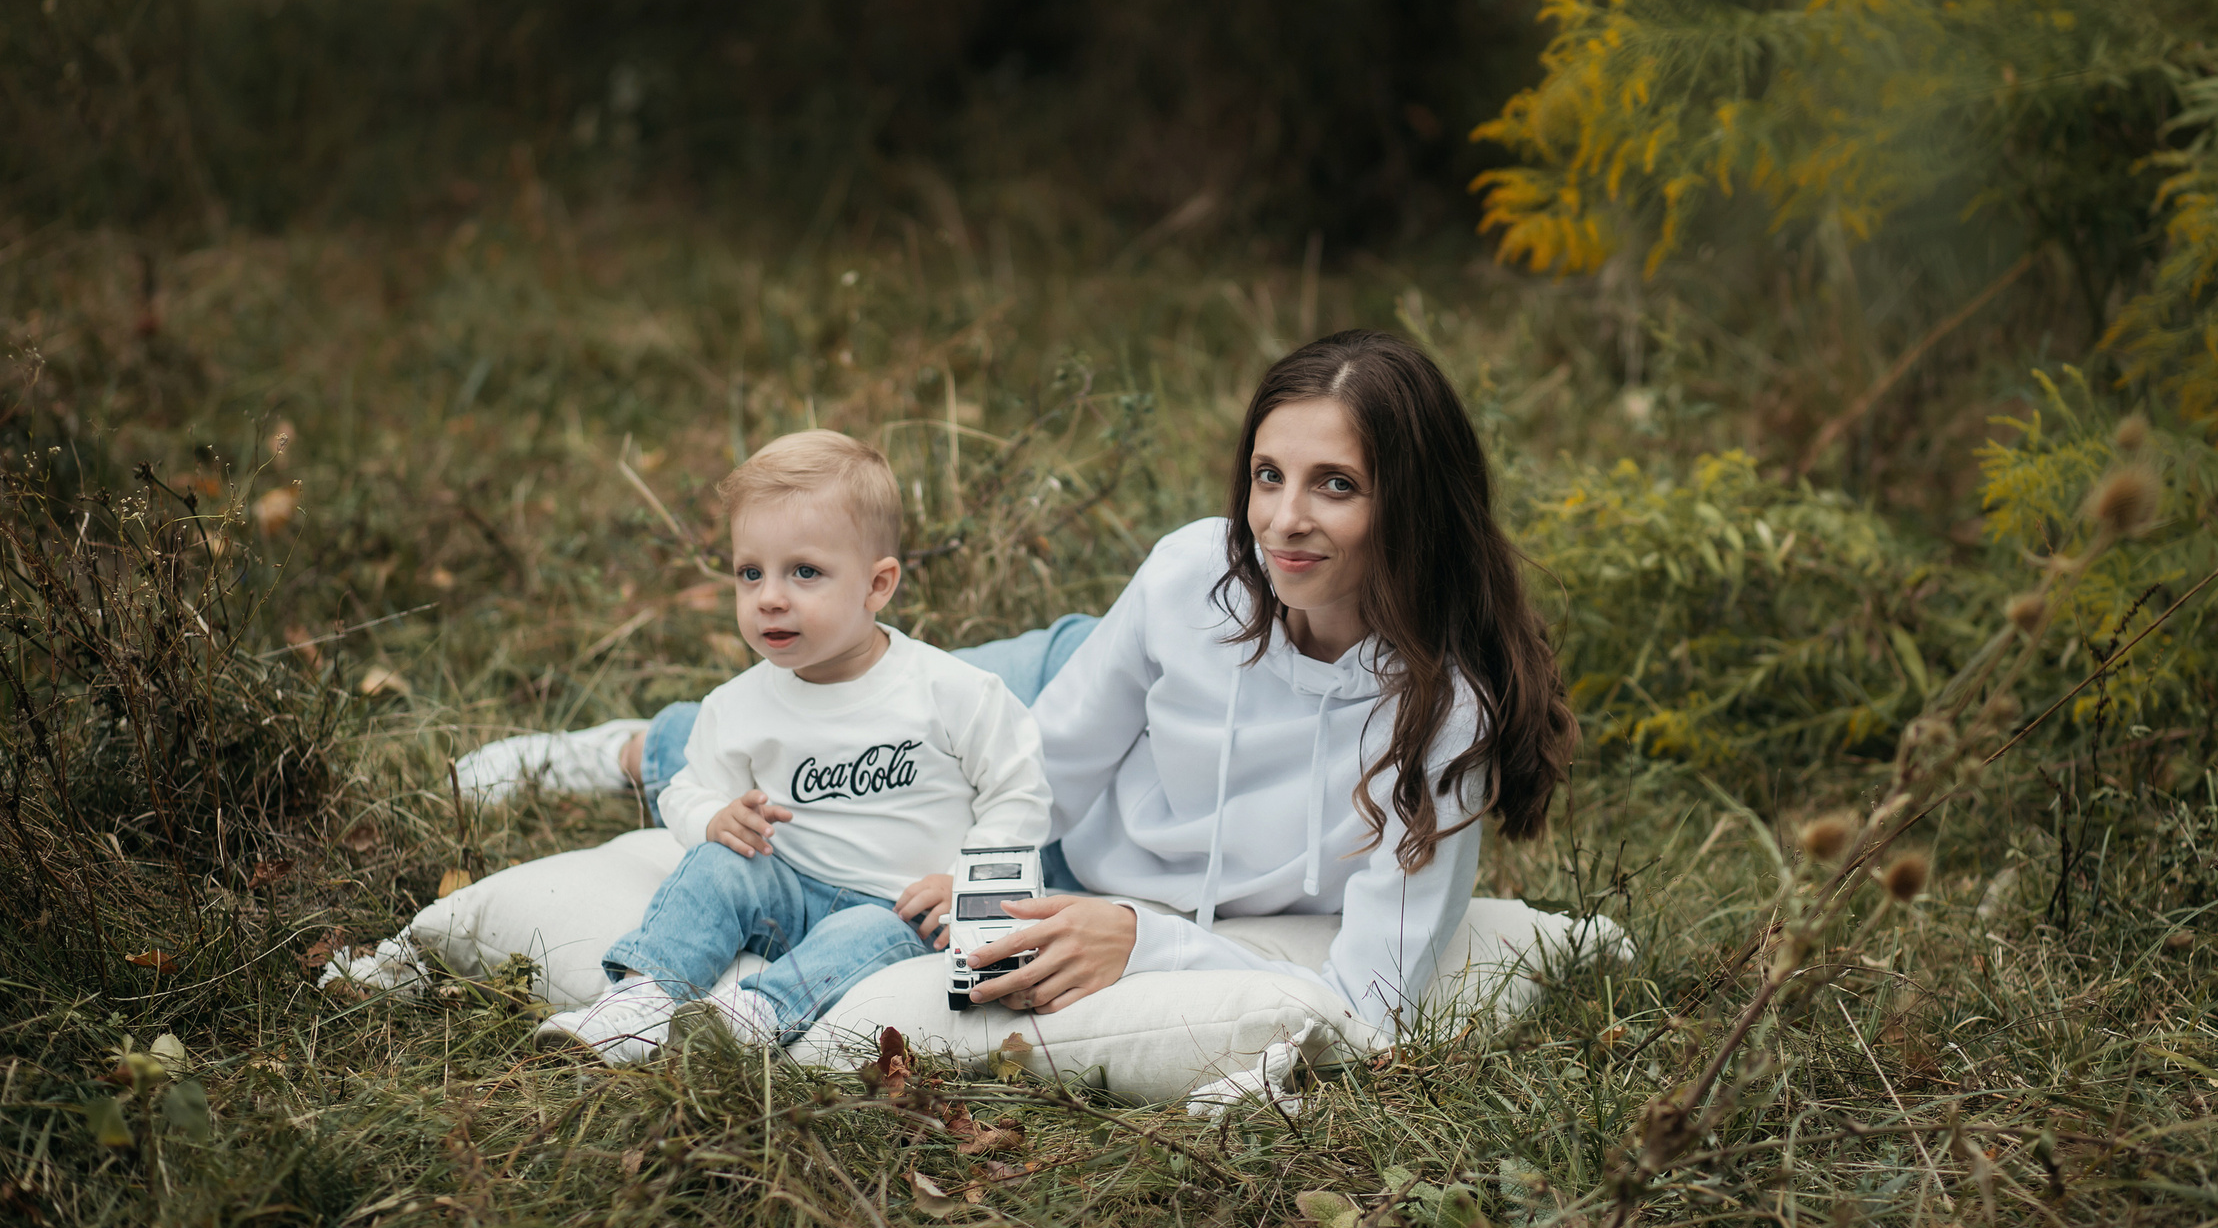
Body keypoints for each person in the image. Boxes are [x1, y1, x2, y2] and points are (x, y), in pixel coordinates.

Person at [467, 329, 1575, 1038]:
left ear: (1413, 505)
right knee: (822, 736)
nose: (1283, 519)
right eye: (1267, 475)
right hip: (1052, 709)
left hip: (1090, 814)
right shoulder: (1197, 569)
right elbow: (1052, 756)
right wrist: (978, 871)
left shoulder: (1444, 720)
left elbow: (1373, 997)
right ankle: (629, 749)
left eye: (1336, 486)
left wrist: (1143, 936)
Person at [533, 431, 1049, 1063]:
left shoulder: (951, 691)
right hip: (789, 886)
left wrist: (967, 885)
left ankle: (752, 1015)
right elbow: (687, 788)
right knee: (717, 866)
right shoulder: (738, 704)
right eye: (750, 573)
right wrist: (714, 819)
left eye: (805, 572)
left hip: (901, 907)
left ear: (877, 584)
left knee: (859, 931)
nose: (770, 596)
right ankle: (642, 1002)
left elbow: (1018, 789)